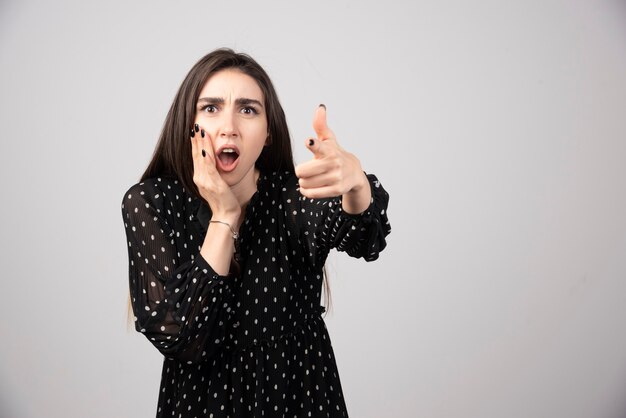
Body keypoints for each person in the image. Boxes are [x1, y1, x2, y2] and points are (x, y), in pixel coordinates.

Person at [121, 48, 391, 417]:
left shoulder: (290, 199)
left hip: (297, 399)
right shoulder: (153, 202)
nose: (229, 126)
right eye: (211, 108)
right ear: (189, 123)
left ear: (267, 135)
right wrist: (224, 214)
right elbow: (181, 335)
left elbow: (363, 235)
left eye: (248, 110)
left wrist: (356, 185)